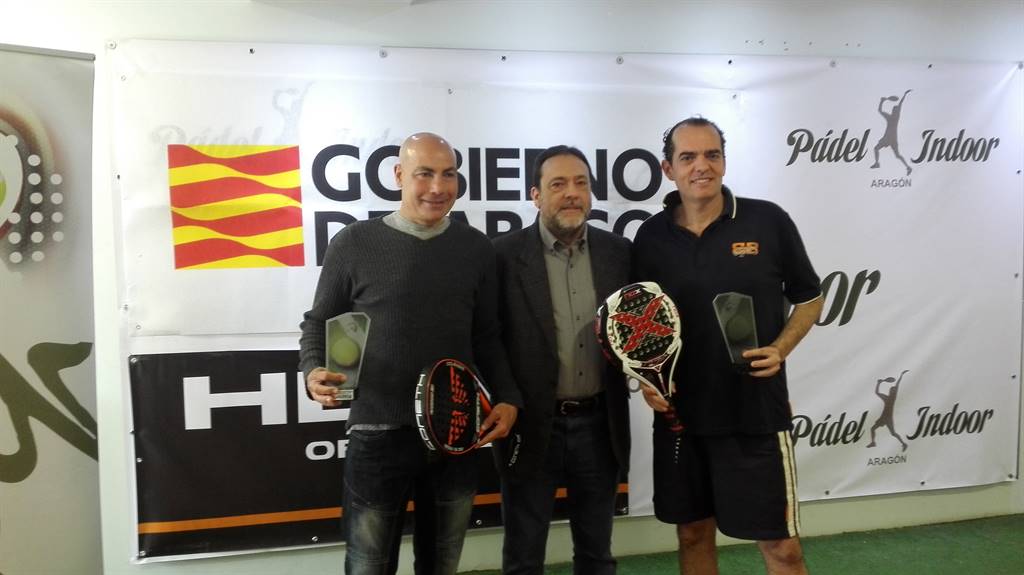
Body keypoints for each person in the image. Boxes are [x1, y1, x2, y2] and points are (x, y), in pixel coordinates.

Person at [299, 132, 521, 575]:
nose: (437, 187)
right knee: (368, 565)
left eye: (448, 175)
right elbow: (319, 323)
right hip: (377, 432)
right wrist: (312, 370)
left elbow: (487, 336)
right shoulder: (353, 243)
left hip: (456, 430)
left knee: (442, 563)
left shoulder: (476, 249)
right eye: (425, 174)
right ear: (399, 175)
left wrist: (508, 397)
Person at [632, 117, 824, 575]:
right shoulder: (650, 237)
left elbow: (810, 297)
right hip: (680, 417)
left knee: (781, 547)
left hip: (754, 414)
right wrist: (645, 379)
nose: (702, 166)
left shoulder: (768, 220)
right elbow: (637, 325)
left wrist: (781, 348)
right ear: (668, 169)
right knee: (693, 535)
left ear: (724, 160)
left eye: (712, 154)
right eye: (688, 157)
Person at [493, 145, 631, 575]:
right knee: (523, 557)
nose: (572, 193)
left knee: (596, 554)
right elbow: (489, 339)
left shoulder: (619, 253)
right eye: (558, 184)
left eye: (580, 183)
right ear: (535, 195)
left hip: (600, 424)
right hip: (531, 425)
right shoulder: (501, 256)